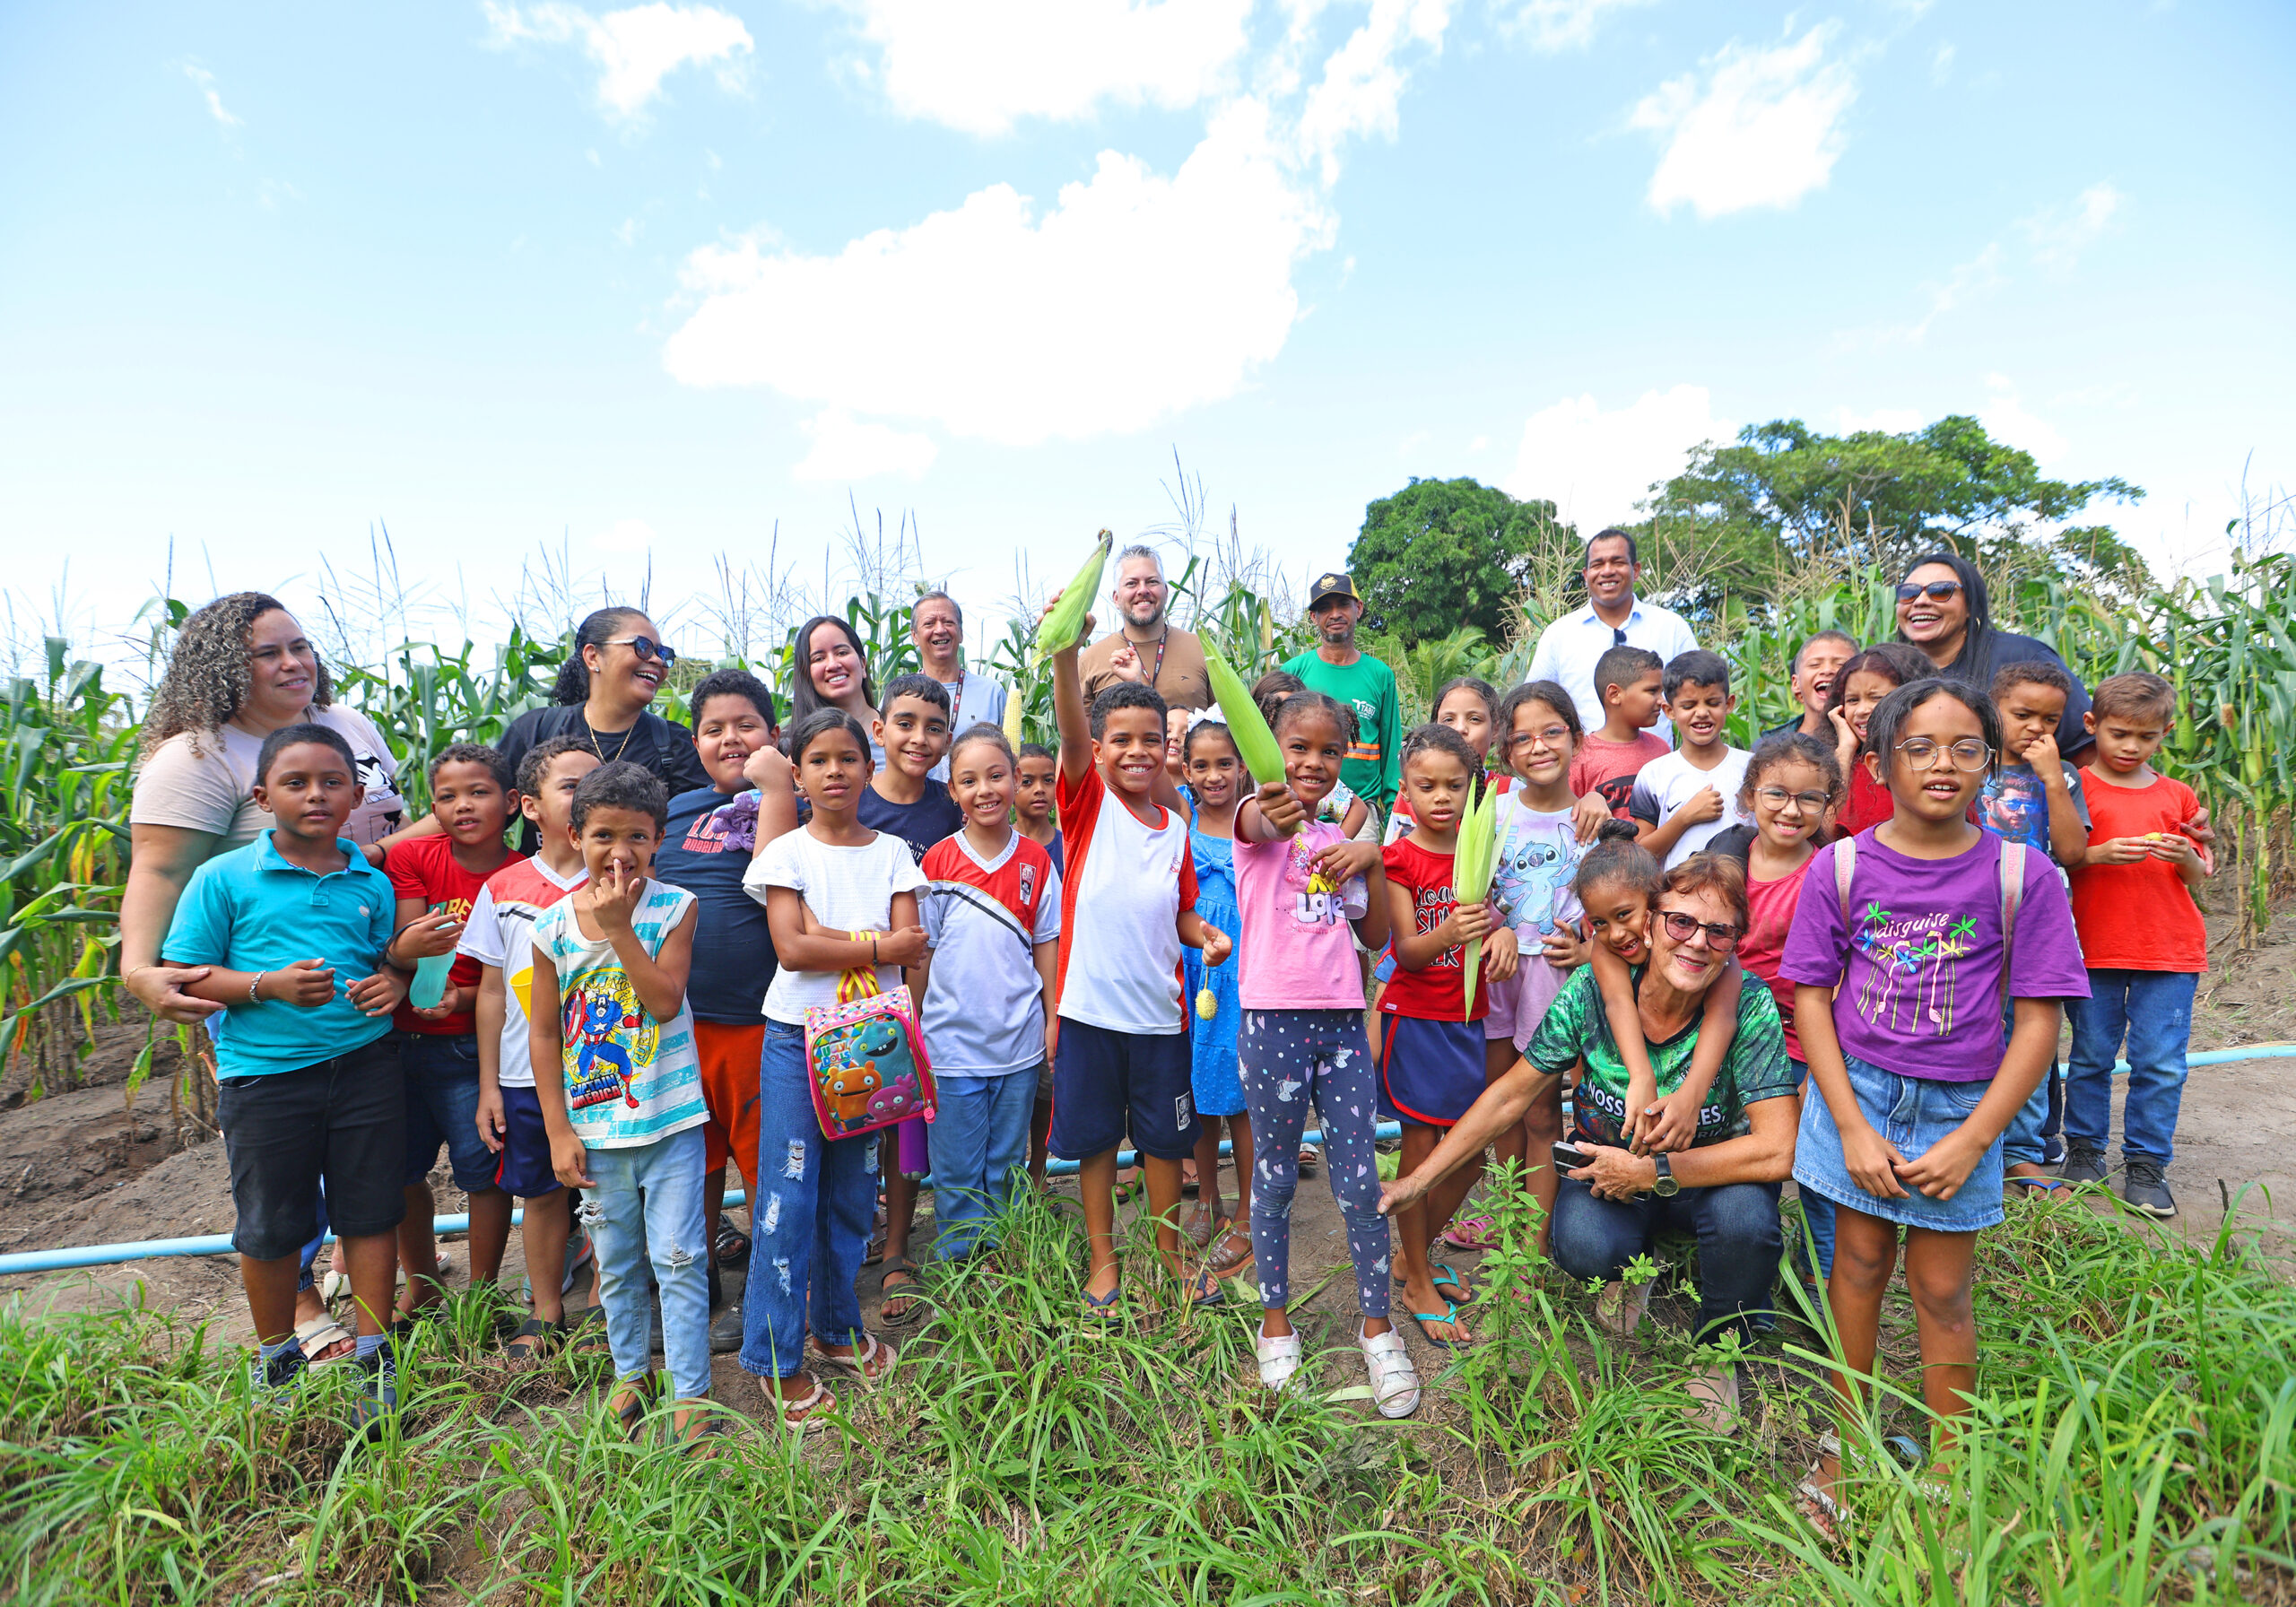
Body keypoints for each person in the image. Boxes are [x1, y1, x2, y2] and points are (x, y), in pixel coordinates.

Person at [1782, 679, 2089, 1528]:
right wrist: (1848, 1124)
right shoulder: (1838, 865)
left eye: (1964, 748)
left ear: (1990, 764)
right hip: (1862, 1097)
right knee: (1857, 1267)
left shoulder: (2021, 873)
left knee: (1944, 1292)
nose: (1942, 764)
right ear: (1878, 763)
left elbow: (2037, 1024)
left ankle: (1952, 1465)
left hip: (1965, 1108)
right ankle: (1844, 1446)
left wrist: (1976, 1137)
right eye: (1919, 748)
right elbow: (1811, 997)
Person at [1380, 851, 1798, 1431]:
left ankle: (1718, 1348)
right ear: (1654, 920)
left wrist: (1654, 1172)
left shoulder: (1745, 1003)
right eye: (1681, 923)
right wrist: (1420, 1178)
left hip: (1702, 1176)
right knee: (1579, 1242)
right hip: (1607, 1169)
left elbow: (1779, 1148)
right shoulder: (1591, 990)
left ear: (1734, 941)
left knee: (1748, 1222)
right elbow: (1510, 1096)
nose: (1697, 942)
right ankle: (1638, 1270)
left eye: (1719, 931)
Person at [161, 723, 410, 1420]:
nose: (316, 795)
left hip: (365, 1065)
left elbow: (385, 961)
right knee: (270, 1224)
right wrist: (265, 985)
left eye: (333, 782)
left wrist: (389, 979)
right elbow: (183, 976)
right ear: (262, 795)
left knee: (370, 1212)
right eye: (296, 783)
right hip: (267, 1078)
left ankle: (374, 1351)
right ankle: (276, 1356)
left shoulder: (371, 881)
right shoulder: (225, 877)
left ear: (357, 794)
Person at [1229, 690, 1413, 1414]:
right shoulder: (1259, 822)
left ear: (1344, 760)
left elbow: (1372, 940)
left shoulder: (1342, 838)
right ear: (1272, 750)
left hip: (1342, 1024)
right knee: (1273, 1179)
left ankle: (1378, 1329)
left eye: (1328, 751)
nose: (1311, 762)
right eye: (1295, 748)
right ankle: (1276, 1325)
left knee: (1360, 1180)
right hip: (1272, 1022)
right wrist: (1278, 799)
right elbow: (1255, 816)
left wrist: (1370, 857)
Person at [1048, 595, 1231, 1316]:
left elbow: (1182, 912)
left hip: (1161, 1016)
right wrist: (1067, 651)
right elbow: (1067, 725)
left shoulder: (1176, 829)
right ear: (1096, 752)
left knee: (1164, 1144)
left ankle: (1173, 1255)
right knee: (1095, 1145)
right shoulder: (1085, 802)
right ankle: (1103, 1258)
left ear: (1168, 749)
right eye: (1120, 739)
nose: (1136, 751)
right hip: (1091, 1012)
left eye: (1150, 739)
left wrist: (1205, 936)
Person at [739, 709, 922, 1425]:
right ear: (799, 773)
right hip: (797, 1037)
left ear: (868, 769)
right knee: (787, 1198)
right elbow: (790, 950)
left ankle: (837, 1326)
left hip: (874, 1041)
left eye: (849, 758)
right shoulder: (785, 854)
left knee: (852, 1193)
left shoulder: (895, 853)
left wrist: (830, 935)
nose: (836, 771)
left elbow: (914, 945)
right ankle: (774, 1355)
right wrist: (874, 945)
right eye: (819, 760)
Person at [529, 761, 717, 1451]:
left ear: (659, 839)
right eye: (603, 834)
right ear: (574, 835)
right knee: (617, 1258)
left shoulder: (675, 908)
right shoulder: (550, 929)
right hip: (595, 1131)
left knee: (679, 1256)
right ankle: (631, 1374)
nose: (620, 851)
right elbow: (544, 1035)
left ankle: (692, 1388)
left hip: (670, 1122)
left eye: (636, 836)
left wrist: (618, 929)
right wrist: (557, 1130)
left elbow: (664, 1001)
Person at [127, 593, 417, 1024]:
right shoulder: (197, 757)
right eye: (268, 654)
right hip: (294, 993)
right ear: (224, 672)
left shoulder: (345, 722)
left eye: (300, 647)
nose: (294, 663)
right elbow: (160, 872)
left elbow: (397, 817)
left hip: (396, 958)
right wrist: (136, 971)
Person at [651, 668, 796, 1351]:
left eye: (746, 725)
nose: (730, 738)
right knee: (694, 1165)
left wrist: (775, 784)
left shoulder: (791, 799)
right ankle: (701, 1283)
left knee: (765, 1164)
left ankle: (766, 1291)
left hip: (756, 1022)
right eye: (713, 729)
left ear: (774, 733)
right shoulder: (676, 811)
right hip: (680, 1023)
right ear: (695, 741)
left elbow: (770, 881)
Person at [1378, 724, 1519, 1351]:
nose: (1440, 797)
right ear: (1404, 790)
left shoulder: (1480, 849)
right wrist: (1450, 934)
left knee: (1467, 1156)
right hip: (1417, 1022)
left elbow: (1497, 918)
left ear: (1474, 786)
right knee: (1421, 1154)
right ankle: (1414, 1284)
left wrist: (1499, 932)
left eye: (1454, 785)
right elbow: (1405, 951)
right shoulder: (1399, 858)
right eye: (1425, 785)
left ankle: (1412, 1258)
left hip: (1469, 1021)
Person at [461, 737, 599, 1363]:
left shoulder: (628, 881)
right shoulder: (505, 888)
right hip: (524, 1073)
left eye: (599, 784)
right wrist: (490, 1084)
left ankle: (611, 1302)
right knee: (541, 1194)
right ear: (531, 807)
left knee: (616, 1191)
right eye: (571, 786)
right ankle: (546, 1310)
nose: (587, 798)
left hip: (610, 1071)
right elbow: (491, 990)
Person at [2061, 673, 2213, 1218]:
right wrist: (2097, 855)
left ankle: (2148, 1166)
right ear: (2091, 725)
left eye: (2145, 738)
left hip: (2168, 951)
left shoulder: (2178, 795)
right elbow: (2058, 857)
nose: (2130, 747)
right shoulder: (2073, 786)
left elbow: (2198, 876)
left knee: (2161, 1064)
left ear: (2164, 734)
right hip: (2093, 949)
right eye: (2119, 733)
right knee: (2090, 1057)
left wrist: (2186, 858)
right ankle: (2083, 1153)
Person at [1448, 682, 1589, 1255]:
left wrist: (1588, 952)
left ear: (1577, 739)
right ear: (1505, 752)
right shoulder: (1490, 812)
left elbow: (1619, 914)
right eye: (1522, 738)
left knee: (1539, 1117)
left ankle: (1532, 1244)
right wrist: (1498, 925)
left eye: (1552, 732)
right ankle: (1502, 1219)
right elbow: (1468, 895)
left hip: (1554, 981)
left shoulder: (1593, 820)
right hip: (1496, 976)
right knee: (1499, 1104)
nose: (1539, 747)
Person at [384, 744, 520, 1328]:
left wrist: (460, 998)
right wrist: (410, 955)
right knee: (402, 1171)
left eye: (479, 792)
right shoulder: (413, 857)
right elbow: (408, 943)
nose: (462, 805)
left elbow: (518, 977)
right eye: (447, 796)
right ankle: (423, 1287)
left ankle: (485, 1295)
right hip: (401, 1042)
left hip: (475, 1049)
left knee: (483, 1172)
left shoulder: (522, 876)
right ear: (432, 806)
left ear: (513, 803)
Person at [918, 725, 1060, 1261]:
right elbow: (923, 954)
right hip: (950, 1046)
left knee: (1005, 1160)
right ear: (952, 791)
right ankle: (960, 1265)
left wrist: (1051, 1019)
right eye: (969, 780)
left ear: (1016, 780)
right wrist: (915, 1027)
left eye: (996, 776)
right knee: (955, 1165)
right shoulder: (937, 863)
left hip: (1018, 1044)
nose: (985, 790)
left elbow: (1046, 943)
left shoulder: (1036, 862)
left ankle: (1003, 1261)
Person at [1708, 733, 1845, 1274]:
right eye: (1776, 795)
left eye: (1810, 798)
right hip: (1723, 1032)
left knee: (1816, 1168)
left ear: (1828, 805)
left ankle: (1821, 1287)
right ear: (1749, 796)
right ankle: (1731, 1266)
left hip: (1799, 1042)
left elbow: (1843, 978)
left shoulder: (1833, 870)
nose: (1792, 810)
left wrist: (1819, 1067)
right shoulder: (1724, 860)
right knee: (1732, 1152)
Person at [857, 674, 964, 1323]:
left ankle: (898, 1246)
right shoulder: (849, 801)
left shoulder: (949, 808)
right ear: (879, 729)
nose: (918, 738)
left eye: (933, 727)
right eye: (905, 723)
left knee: (905, 1125)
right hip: (848, 987)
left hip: (924, 993)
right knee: (848, 1117)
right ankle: (853, 1236)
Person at [1979, 661, 2092, 1191]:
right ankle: (1974, 1141)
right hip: (1974, 923)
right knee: (1980, 1033)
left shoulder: (2063, 776)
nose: (2036, 729)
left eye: (2049, 719)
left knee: (2031, 1038)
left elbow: (2072, 851)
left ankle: (2021, 1151)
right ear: (1992, 710)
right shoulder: (1970, 765)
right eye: (2022, 715)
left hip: (2039, 923)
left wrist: (2052, 779)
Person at [499, 607, 707, 852]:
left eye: (663, 653)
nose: (658, 661)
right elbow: (484, 813)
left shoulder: (676, 745)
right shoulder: (536, 729)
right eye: (642, 647)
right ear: (593, 656)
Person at [1176, 716, 1256, 1281]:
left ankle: (1249, 1211)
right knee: (1197, 1088)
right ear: (1185, 771)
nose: (1214, 775)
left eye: (1224, 763)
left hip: (1248, 967)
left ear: (1243, 766)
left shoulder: (1257, 824)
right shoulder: (1177, 822)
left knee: (1244, 1094)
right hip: (1191, 967)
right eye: (1200, 765)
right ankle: (1208, 1197)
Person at [1893, 552, 2091, 757]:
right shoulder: (1888, 669)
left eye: (1941, 591)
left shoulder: (2026, 657)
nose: (1921, 601)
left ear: (1971, 605)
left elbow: (2085, 747)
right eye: (1909, 593)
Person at [1524, 529, 1700, 739]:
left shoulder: (1671, 628)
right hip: (1583, 767)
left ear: (1635, 570)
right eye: (1597, 565)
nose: (1607, 571)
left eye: (1617, 562)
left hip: (1656, 766)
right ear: (1586, 575)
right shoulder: (1559, 634)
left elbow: (1698, 695)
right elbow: (1533, 703)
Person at [1283, 572, 1404, 820]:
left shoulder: (1381, 675)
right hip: (1300, 809)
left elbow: (1392, 749)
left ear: (1358, 608)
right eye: (1325, 608)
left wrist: (1394, 812)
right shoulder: (1293, 671)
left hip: (1359, 812)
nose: (1335, 614)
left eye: (1343, 605)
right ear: (1314, 617)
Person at [1630, 650, 1752, 867]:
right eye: (1689, 706)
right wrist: (1685, 816)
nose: (1702, 712)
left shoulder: (1753, 767)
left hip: (1743, 897)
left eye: (1713, 703)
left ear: (1729, 704)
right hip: (1677, 897)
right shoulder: (1654, 774)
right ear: (1669, 710)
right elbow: (1641, 853)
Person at [1013, 739, 1064, 1187]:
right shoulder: (1001, 847)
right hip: (1008, 980)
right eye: (1026, 781)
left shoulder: (1069, 846)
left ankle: (1039, 1170)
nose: (1039, 789)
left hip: (1057, 979)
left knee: (1047, 1085)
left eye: (1048, 779)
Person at [1077, 544, 1213, 711]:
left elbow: (1227, 724)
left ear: (1166, 591)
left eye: (1152, 582)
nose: (1143, 590)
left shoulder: (1202, 649)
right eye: (1131, 584)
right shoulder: (1091, 659)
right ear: (1116, 598)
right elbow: (1077, 734)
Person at [1822, 644, 1931, 839]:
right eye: (1853, 700)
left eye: (1876, 698)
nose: (1862, 710)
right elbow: (1822, 834)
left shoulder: (1930, 759)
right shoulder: (1839, 760)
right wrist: (1846, 748)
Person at [909, 590, 1009, 781]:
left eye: (948, 622)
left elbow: (1011, 757)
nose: (940, 630)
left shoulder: (991, 692)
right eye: (929, 623)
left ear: (961, 633)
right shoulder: (901, 696)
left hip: (981, 805)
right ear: (914, 636)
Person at [1569, 644, 1670, 824]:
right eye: (1652, 691)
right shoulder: (1580, 755)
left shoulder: (1661, 750)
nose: (1662, 701)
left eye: (1662, 691)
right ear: (1614, 694)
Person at [787, 614, 886, 768]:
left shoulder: (900, 732)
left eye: (842, 653)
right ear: (806, 675)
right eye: (819, 658)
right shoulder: (796, 756)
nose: (833, 665)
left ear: (863, 664)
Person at [1761, 631, 1858, 743]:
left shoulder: (1873, 740)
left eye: (1840, 664)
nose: (1827, 670)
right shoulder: (1769, 746)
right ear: (1796, 684)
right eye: (1815, 665)